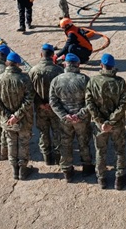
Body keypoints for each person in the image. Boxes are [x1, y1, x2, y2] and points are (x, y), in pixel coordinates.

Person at [85, 52, 126, 190]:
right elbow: (123, 104)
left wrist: (101, 122)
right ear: (113, 66)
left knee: (100, 150)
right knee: (120, 150)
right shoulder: (120, 82)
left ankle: (101, 178)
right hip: (117, 124)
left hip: (100, 126)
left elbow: (89, 103)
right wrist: (111, 121)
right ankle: (119, 178)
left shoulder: (93, 81)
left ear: (101, 65)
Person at [0, 51, 36, 180]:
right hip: (23, 120)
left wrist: (7, 115)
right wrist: (17, 115)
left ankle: (14, 170)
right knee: (23, 143)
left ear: (7, 63)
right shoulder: (24, 79)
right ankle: (23, 169)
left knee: (11, 143)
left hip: (7, 121)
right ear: (17, 64)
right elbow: (29, 99)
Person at [50, 53, 94, 182]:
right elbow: (90, 102)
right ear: (78, 65)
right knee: (84, 142)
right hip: (82, 119)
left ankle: (67, 170)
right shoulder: (85, 79)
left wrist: (65, 115)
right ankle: (87, 166)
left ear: (65, 64)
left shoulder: (56, 80)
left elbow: (53, 102)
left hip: (65, 120)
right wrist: (79, 115)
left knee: (65, 143)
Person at [28, 44, 63, 166]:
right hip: (55, 108)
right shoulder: (58, 71)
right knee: (57, 132)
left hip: (40, 108)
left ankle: (47, 157)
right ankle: (58, 157)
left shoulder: (33, 71)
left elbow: (30, 91)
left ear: (41, 54)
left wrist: (40, 103)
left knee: (43, 132)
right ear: (53, 55)